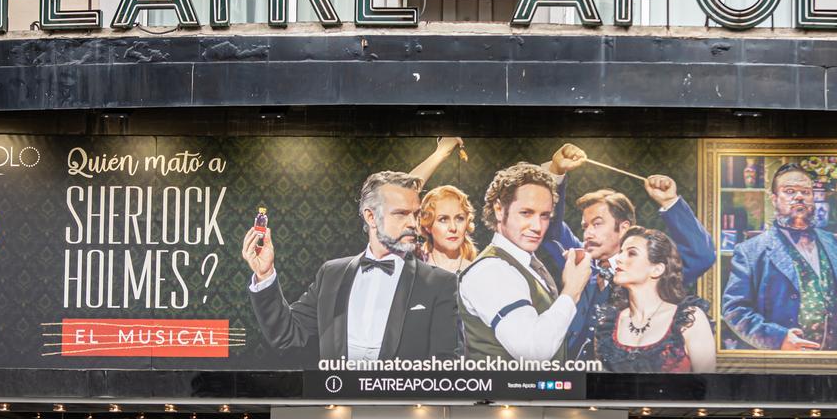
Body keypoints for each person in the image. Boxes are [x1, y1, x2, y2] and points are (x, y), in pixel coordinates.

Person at [243, 171, 460, 361]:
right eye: (401, 214)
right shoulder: (332, 274)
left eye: (415, 214)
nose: (413, 224)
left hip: (403, 406)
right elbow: (288, 336)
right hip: (335, 403)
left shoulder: (440, 283)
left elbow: (444, 365)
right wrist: (265, 275)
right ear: (371, 217)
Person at [540, 143, 715, 359]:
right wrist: (556, 173)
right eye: (585, 227)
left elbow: (702, 255)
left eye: (597, 224)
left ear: (623, 228)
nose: (588, 234)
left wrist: (670, 201)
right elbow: (549, 231)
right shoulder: (579, 262)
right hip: (572, 384)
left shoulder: (648, 271)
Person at [458, 162, 591, 361]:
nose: (537, 226)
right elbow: (533, 351)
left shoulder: (525, 261)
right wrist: (572, 291)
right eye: (526, 213)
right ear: (499, 210)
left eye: (545, 216)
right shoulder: (491, 270)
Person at [721, 162, 837, 351]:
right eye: (790, 191)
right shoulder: (750, 251)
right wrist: (777, 339)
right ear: (774, 199)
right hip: (783, 362)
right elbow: (734, 310)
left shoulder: (830, 241)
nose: (799, 196)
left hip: (835, 359)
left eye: (806, 192)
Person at [594, 227, 715, 372]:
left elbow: (706, 387)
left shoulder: (688, 319)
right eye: (621, 252)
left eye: (631, 253)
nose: (618, 259)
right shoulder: (608, 324)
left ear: (657, 269)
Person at [409, 137, 478, 272]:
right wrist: (441, 153)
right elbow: (401, 194)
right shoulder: (414, 266)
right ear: (428, 225)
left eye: (459, 218)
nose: (453, 228)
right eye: (443, 219)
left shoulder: (477, 272)